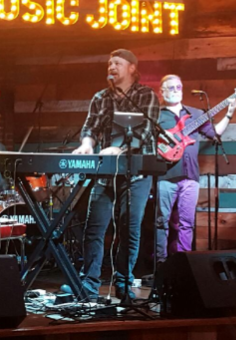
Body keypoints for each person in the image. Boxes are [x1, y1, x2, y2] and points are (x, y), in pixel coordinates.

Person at [72, 49, 160, 301]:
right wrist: (87, 144)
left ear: (132, 68)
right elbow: (90, 127)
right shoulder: (100, 97)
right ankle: (89, 284)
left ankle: (123, 283)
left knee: (129, 229)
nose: (111, 66)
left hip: (137, 173)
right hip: (105, 171)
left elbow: (144, 131)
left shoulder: (145, 95)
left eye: (117, 63)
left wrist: (119, 149)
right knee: (94, 227)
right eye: (109, 63)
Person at [156, 74, 236, 263]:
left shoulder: (195, 114)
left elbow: (215, 133)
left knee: (187, 222)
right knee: (161, 221)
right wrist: (162, 140)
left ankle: (184, 262)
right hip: (165, 175)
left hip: (190, 175)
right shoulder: (156, 116)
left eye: (178, 87)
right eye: (171, 88)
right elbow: (147, 141)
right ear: (162, 91)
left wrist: (229, 113)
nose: (176, 91)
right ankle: (160, 262)